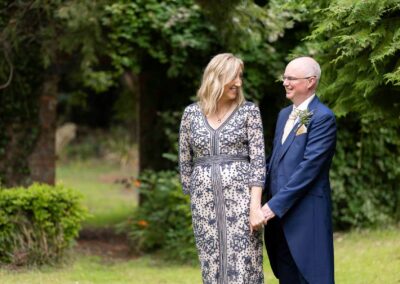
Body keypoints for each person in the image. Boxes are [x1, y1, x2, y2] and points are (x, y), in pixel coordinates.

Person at [179, 53, 266, 284]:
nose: (238, 82)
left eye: (240, 76)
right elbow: (184, 161)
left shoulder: (249, 112)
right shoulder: (190, 114)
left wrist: (255, 207)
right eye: (233, 76)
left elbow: (258, 163)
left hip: (242, 204)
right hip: (204, 206)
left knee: (243, 265)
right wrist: (198, 190)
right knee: (211, 266)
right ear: (215, 78)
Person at [262, 57, 336, 284]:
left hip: (306, 216)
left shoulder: (323, 117)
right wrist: (254, 191)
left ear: (311, 82)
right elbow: (275, 161)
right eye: (284, 77)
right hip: (278, 221)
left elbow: (309, 169)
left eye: (291, 78)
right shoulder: (285, 115)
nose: (285, 82)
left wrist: (272, 206)